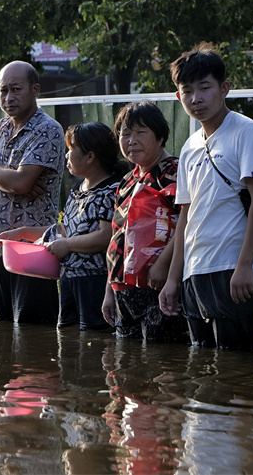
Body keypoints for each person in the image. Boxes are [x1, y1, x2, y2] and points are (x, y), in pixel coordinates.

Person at [159, 43, 253, 351]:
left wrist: (245, 265)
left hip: (233, 270)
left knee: (236, 368)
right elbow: (186, 216)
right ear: (178, 96)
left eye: (205, 88)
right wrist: (173, 279)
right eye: (187, 91)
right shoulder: (189, 147)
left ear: (224, 88)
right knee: (203, 371)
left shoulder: (245, 131)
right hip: (195, 273)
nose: (196, 99)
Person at [0, 122, 124, 330]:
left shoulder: (110, 191)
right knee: (68, 339)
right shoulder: (77, 190)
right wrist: (23, 233)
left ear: (90, 157)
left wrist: (68, 245)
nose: (66, 155)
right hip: (68, 279)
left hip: (95, 282)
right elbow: (65, 229)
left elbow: (106, 236)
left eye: (71, 150)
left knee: (95, 339)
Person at [0, 61, 65, 324]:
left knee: (32, 333)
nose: (8, 98)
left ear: (35, 90)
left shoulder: (48, 129)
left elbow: (20, 183)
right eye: (3, 91)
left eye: (16, 89)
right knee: (3, 328)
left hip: (31, 251)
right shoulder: (1, 127)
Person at [101, 101, 188, 341]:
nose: (131, 140)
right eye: (125, 134)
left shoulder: (173, 170)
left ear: (160, 137)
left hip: (158, 285)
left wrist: (163, 265)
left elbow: (187, 221)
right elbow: (117, 235)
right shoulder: (127, 180)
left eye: (141, 132)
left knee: (161, 360)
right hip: (123, 288)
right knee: (127, 364)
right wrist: (110, 290)